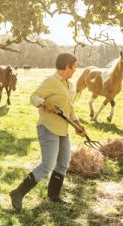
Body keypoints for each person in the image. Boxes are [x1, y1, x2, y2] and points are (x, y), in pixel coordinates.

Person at [9, 53, 87, 211]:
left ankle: (53, 195)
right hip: (48, 127)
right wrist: (44, 103)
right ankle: (18, 193)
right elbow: (33, 97)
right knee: (47, 164)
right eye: (75, 66)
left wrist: (77, 124)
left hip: (62, 129)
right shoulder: (51, 81)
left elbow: (70, 109)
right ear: (66, 67)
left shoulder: (68, 85)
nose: (76, 70)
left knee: (64, 162)